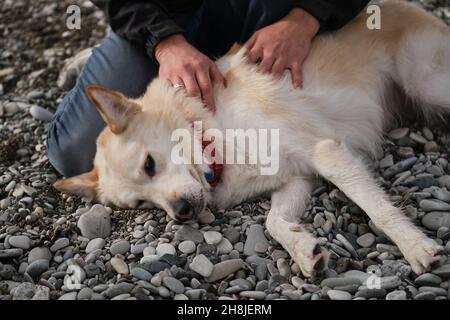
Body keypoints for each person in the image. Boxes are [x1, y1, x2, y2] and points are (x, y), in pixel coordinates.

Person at [47, 0, 370, 177]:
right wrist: (162, 42)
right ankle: (111, 53)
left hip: (267, 9)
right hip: (163, 14)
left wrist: (307, 18)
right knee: (75, 154)